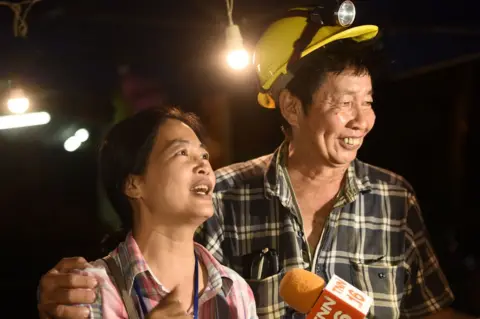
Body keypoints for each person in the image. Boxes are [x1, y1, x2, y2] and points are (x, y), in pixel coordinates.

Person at [38, 5, 476, 319]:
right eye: (344, 103)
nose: (363, 120)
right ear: (290, 107)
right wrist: (71, 290)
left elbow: (428, 310)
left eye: (368, 102)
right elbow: (159, 287)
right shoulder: (221, 197)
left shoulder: (395, 197)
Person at [43, 106, 257, 319]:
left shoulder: (235, 290)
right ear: (134, 184)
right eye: (182, 152)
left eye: (204, 154)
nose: (204, 165)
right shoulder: (88, 291)